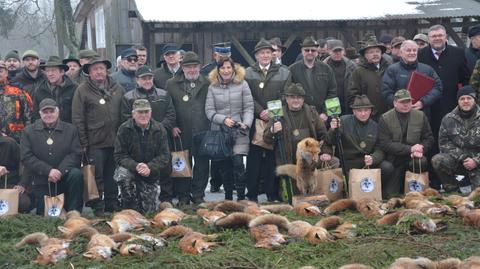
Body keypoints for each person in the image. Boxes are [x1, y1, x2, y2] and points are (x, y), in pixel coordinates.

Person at [418, 24, 470, 188]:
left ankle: (457, 178)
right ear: (429, 39)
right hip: (429, 107)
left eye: (440, 35)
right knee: (431, 140)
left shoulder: (458, 53)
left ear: (446, 37)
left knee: (454, 142)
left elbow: (465, 79)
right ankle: (433, 179)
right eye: (433, 36)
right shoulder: (421, 55)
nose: (437, 38)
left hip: (452, 107)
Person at [72, 55, 124, 216]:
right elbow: (78, 118)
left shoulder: (117, 88)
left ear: (106, 70)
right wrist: (83, 141)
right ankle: (97, 206)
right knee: (96, 176)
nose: (99, 72)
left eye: (101, 68)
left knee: (112, 175)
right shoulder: (82, 90)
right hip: (94, 142)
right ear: (89, 72)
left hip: (115, 140)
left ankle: (112, 203)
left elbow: (124, 113)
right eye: (95, 69)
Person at [245, 38, 291, 202]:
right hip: (256, 120)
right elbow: (247, 95)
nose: (265, 55)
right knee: (254, 159)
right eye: (261, 53)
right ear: (256, 56)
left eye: (268, 52)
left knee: (273, 158)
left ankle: (272, 194)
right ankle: (251, 194)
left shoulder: (284, 72)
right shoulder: (248, 72)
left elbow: (287, 95)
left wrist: (272, 113)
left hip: (276, 119)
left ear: (273, 54)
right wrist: (260, 111)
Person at [121, 65, 176, 203]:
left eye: (149, 78)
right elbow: (125, 116)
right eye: (144, 78)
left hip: (160, 136)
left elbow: (171, 114)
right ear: (137, 80)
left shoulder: (164, 94)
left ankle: (166, 198)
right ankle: (134, 198)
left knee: (165, 166)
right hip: (136, 138)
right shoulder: (128, 97)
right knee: (139, 168)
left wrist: (157, 129)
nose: (147, 81)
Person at [20, 98, 83, 214]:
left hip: (64, 177)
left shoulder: (71, 130)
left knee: (76, 174)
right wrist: (48, 171)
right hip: (41, 179)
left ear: (58, 112)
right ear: (40, 114)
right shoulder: (28, 131)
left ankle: (75, 214)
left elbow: (76, 154)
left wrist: (59, 171)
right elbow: (26, 157)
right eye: (45, 112)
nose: (49, 115)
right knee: (44, 214)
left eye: (52, 111)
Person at [263, 83, 339, 178]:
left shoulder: (312, 113)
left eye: (299, 97)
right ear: (286, 99)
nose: (296, 100)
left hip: (311, 160)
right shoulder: (277, 116)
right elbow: (266, 140)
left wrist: (326, 152)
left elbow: (324, 136)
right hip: (289, 161)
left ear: (303, 99)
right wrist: (272, 130)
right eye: (292, 97)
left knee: (334, 161)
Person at [206, 56, 254, 201]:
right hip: (220, 132)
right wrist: (223, 119)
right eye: (222, 68)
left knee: (238, 164)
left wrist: (246, 123)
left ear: (233, 68)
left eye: (228, 67)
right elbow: (209, 111)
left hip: (239, 130)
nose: (226, 71)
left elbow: (249, 107)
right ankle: (227, 198)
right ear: (218, 70)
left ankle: (240, 198)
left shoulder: (242, 84)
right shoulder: (212, 87)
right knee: (225, 167)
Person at [165, 51, 210, 205]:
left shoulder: (207, 82)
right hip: (181, 131)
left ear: (200, 67)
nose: (192, 70)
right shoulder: (171, 83)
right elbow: (168, 108)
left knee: (202, 164)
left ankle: (198, 195)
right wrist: (173, 126)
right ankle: (183, 196)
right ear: (182, 67)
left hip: (203, 129)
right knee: (181, 163)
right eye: (188, 67)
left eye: (195, 66)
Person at [114, 99, 171, 213]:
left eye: (146, 112)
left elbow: (164, 156)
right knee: (122, 174)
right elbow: (119, 155)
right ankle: (128, 204)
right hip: (131, 171)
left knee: (148, 211)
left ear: (150, 113)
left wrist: (149, 167)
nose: (143, 115)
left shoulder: (159, 129)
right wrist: (136, 166)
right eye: (140, 112)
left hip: (151, 173)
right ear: (133, 114)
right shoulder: (124, 129)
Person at [325, 95, 393, 187]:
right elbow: (330, 141)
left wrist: (373, 158)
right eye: (359, 111)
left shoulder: (375, 126)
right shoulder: (343, 121)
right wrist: (333, 130)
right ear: (354, 111)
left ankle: (378, 190)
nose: (363, 114)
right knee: (352, 185)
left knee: (387, 167)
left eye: (366, 110)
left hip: (367, 164)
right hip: (348, 164)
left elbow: (380, 148)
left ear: (370, 111)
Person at [377, 90, 434, 197]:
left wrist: (421, 148)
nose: (406, 104)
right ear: (394, 103)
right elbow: (385, 144)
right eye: (402, 102)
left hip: (413, 158)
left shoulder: (420, 115)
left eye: (408, 101)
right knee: (390, 194)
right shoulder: (385, 118)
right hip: (394, 160)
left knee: (421, 162)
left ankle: (417, 188)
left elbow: (429, 138)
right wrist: (410, 149)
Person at [432, 86, 480, 192]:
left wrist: (476, 161)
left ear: (474, 100)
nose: (465, 101)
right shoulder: (448, 119)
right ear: (458, 101)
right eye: (462, 99)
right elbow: (444, 144)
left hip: (478, 162)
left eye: (469, 98)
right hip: (459, 161)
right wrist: (463, 157)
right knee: (438, 160)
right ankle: (452, 190)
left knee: (477, 195)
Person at [382, 40, 442, 118]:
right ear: (401, 53)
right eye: (408, 50)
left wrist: (423, 102)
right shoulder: (392, 70)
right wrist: (401, 105)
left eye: (414, 50)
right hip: (398, 115)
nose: (412, 53)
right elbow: (386, 92)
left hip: (421, 114)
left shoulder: (427, 69)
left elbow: (438, 87)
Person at [289, 36, 337, 121]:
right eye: (307, 50)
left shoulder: (326, 69)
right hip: (300, 116)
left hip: (322, 117)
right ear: (302, 51)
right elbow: (288, 93)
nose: (310, 52)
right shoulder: (292, 69)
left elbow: (332, 93)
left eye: (313, 50)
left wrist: (326, 113)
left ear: (317, 52)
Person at [348, 36, 390, 120]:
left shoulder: (389, 68)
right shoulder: (358, 72)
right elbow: (353, 95)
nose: (375, 54)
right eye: (371, 52)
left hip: (388, 115)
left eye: (377, 51)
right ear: (365, 55)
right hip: (368, 117)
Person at [33, 56, 78, 123]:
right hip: (47, 130)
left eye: (53, 70)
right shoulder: (39, 90)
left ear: (62, 72)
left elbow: (78, 113)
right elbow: (36, 115)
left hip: (69, 130)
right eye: (47, 71)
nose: (50, 74)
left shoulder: (74, 88)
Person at [0, 61, 33, 142]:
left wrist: (28, 137)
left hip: (17, 139)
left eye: (0, 71)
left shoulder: (18, 91)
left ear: (6, 73)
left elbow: (28, 116)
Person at [0, 134, 32, 213]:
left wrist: (22, 184)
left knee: (24, 202)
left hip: (8, 184)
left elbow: (25, 163)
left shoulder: (9, 143)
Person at [323, 39, 356, 115]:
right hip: (329, 103)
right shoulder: (323, 66)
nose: (338, 53)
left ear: (343, 51)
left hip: (347, 103)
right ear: (329, 51)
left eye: (340, 51)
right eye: (335, 51)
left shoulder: (352, 66)